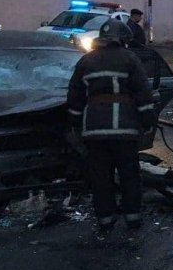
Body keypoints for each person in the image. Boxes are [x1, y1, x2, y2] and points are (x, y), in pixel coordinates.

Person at [67, 18, 157, 231]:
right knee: (129, 175)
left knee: (101, 177)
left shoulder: (85, 61)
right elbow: (142, 93)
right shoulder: (129, 59)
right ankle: (132, 216)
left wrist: (75, 125)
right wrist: (147, 121)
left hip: (94, 132)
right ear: (123, 39)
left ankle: (105, 219)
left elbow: (75, 97)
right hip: (124, 131)